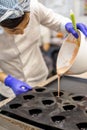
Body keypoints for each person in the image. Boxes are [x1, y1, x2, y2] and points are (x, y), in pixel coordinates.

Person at [0, 0, 87, 98]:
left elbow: (57, 21)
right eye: (14, 30)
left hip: (40, 79)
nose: (22, 32)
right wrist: (8, 80)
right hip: (9, 90)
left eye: (26, 24)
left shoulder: (33, 7)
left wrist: (68, 25)